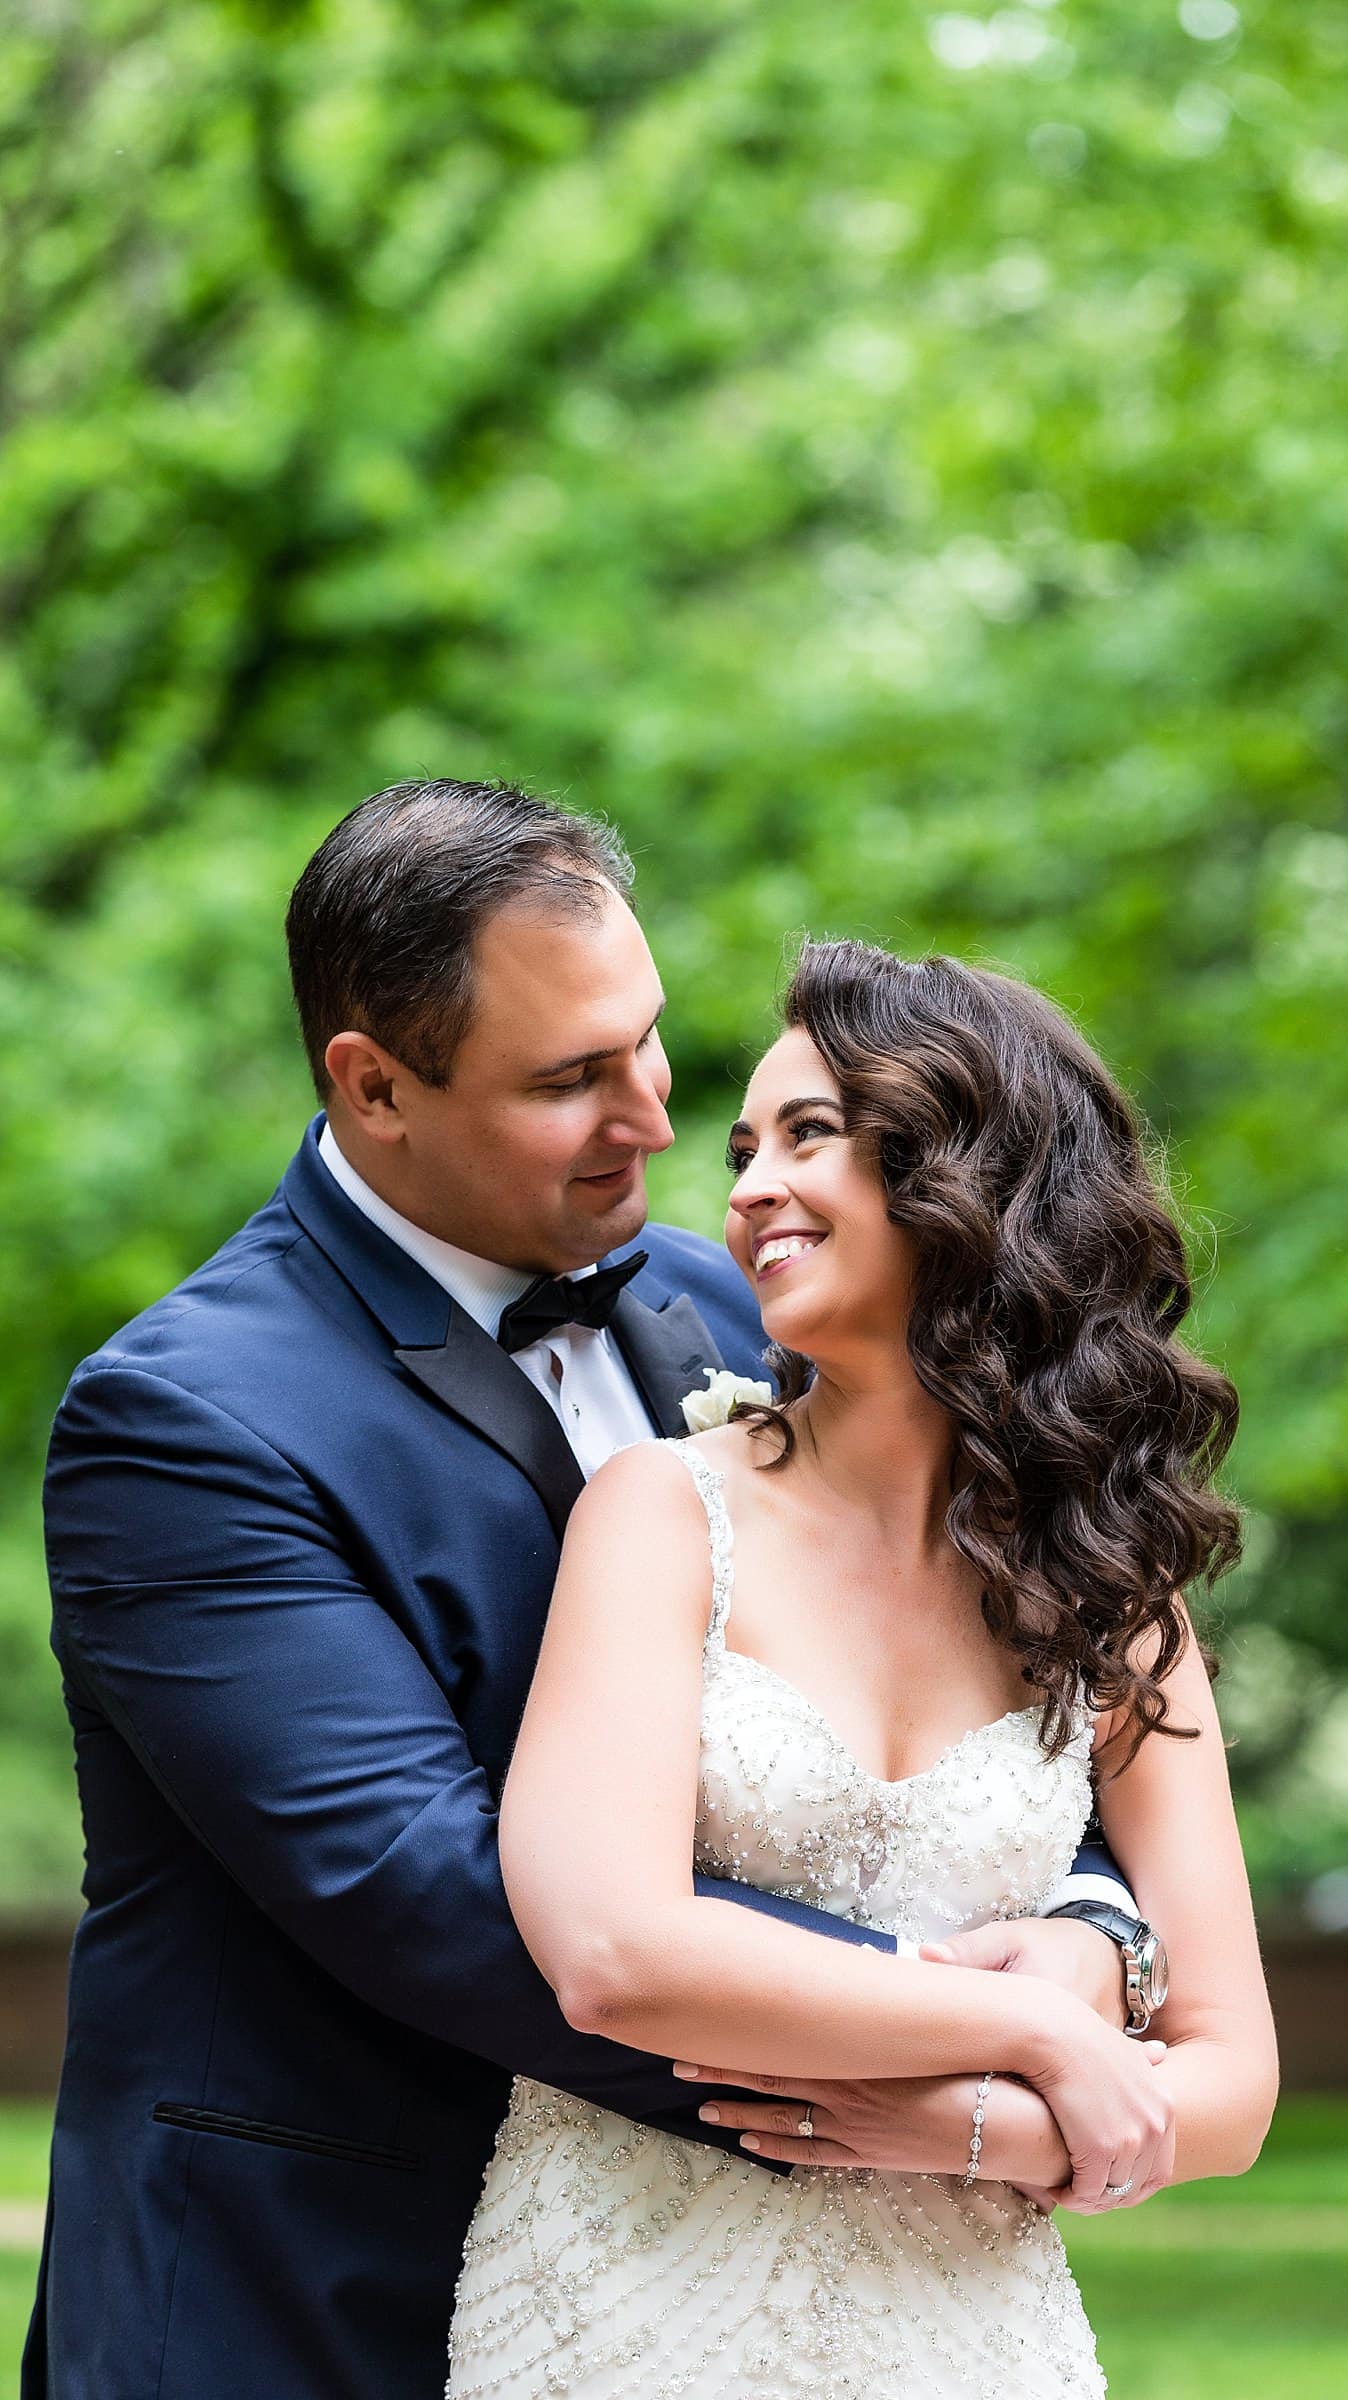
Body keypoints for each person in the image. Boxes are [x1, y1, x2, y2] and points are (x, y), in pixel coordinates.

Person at [27, 783, 1141, 2400]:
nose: (656, 1119)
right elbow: (434, 1896)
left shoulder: (725, 1303)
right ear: (374, 1084)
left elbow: (984, 1664)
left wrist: (1100, 1940)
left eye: (646, 1041)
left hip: (746, 2290)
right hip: (314, 2290)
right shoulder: (186, 1422)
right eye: (570, 1080)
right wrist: (972, 2048)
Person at [448, 937, 1279, 2398]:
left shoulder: (1112, 1591)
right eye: (745, 1146)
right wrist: (1030, 2025)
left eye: (811, 1135)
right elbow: (614, 1952)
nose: (748, 1185)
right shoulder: (663, 1513)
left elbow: (1231, 2081)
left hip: (970, 2328)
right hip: (630, 2309)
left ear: (976, 1174)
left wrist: (978, 2130)